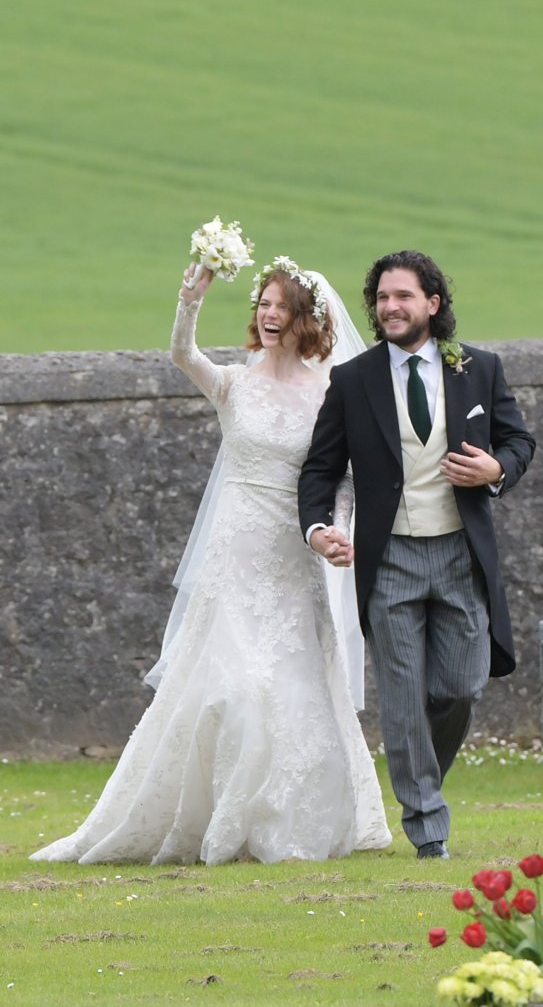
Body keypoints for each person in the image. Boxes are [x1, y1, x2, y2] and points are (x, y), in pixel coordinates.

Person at [31, 258, 391, 865]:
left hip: (294, 551)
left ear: (308, 320)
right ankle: (218, 817)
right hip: (235, 553)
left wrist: (333, 531)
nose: (270, 315)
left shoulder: (332, 393)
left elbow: (342, 480)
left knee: (294, 685)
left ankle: (287, 821)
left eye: (283, 307)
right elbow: (180, 353)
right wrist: (190, 299)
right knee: (235, 685)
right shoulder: (232, 383)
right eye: (264, 304)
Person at [298, 250, 535, 860]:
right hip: (390, 560)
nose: (389, 307)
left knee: (460, 687)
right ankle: (428, 826)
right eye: (381, 298)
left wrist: (495, 469)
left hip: (461, 554)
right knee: (401, 698)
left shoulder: (478, 368)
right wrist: (318, 528)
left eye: (402, 296)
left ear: (432, 303)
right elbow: (320, 468)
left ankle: (419, 772)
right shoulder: (353, 380)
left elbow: (518, 441)